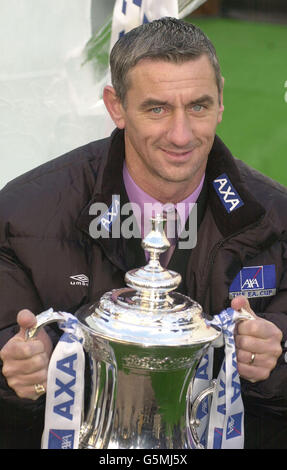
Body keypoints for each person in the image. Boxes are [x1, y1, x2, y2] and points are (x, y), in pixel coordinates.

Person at [0, 17, 286, 449]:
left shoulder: (278, 219)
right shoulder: (22, 214)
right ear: (116, 107)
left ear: (222, 99)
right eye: (157, 108)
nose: (181, 134)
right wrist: (18, 374)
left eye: (198, 106)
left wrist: (273, 363)